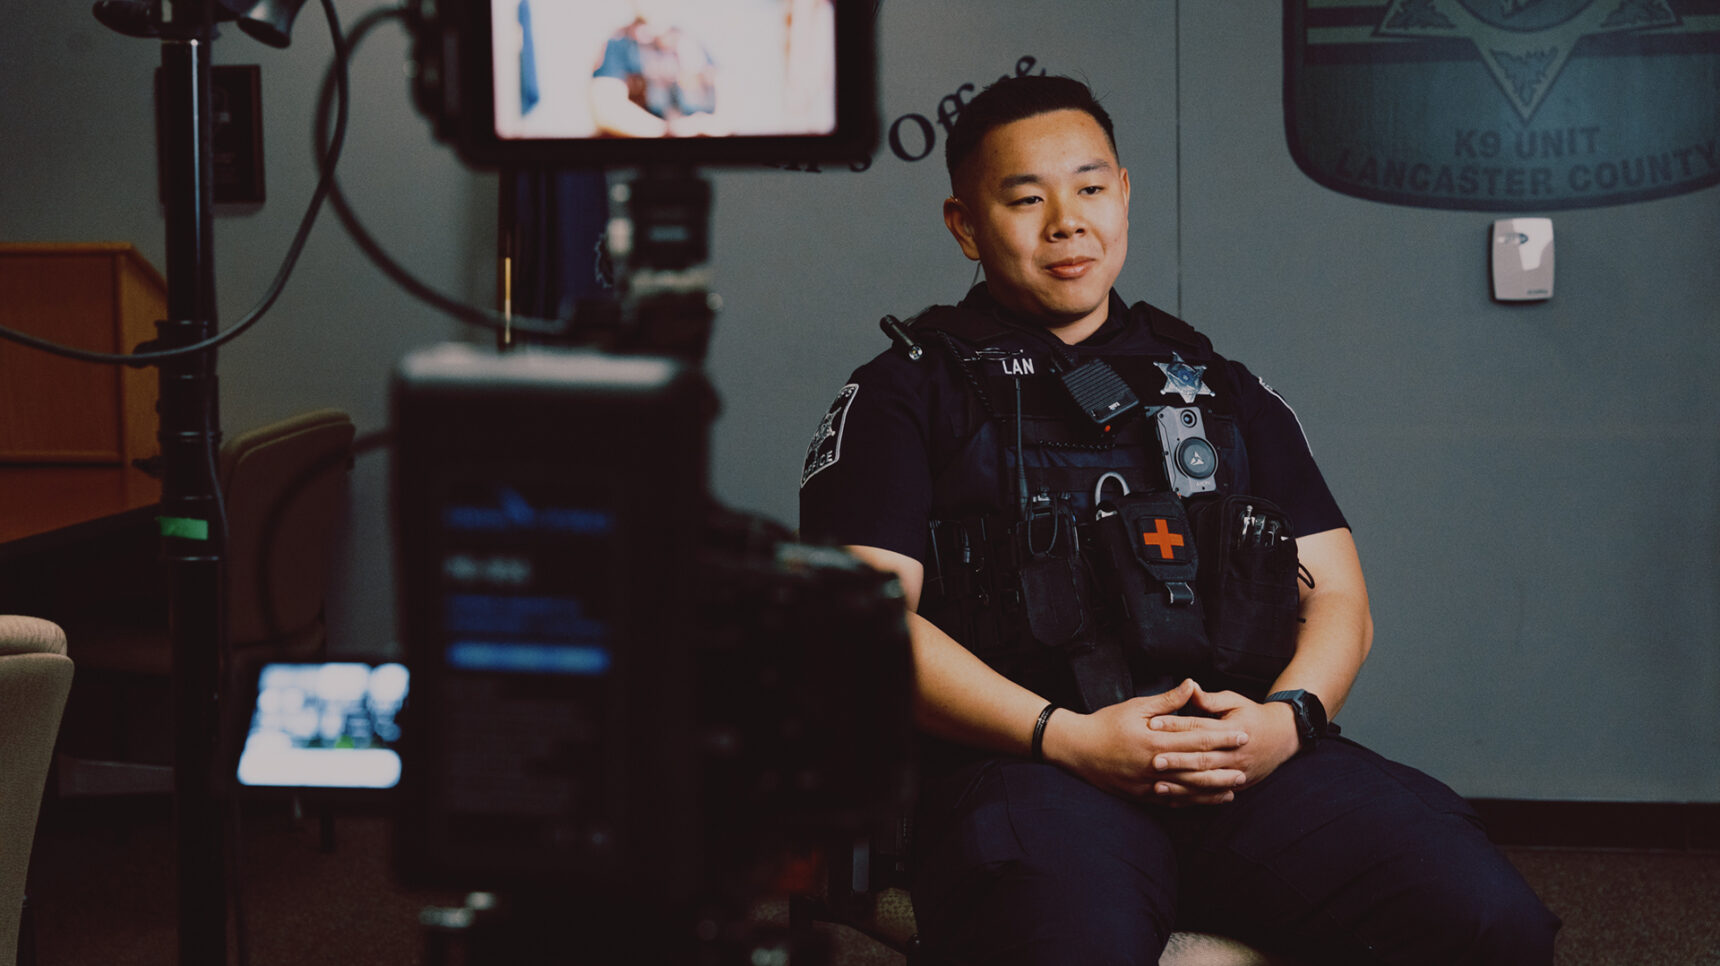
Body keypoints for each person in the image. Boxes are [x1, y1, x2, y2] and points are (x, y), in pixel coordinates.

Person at [798, 74, 1559, 965]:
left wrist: (1287, 721)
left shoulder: (1220, 386)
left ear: (1123, 195)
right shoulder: (904, 393)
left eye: (1089, 188)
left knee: (1487, 920)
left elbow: (1338, 596)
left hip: (1242, 759)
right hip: (1031, 767)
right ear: (965, 225)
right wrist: (1067, 738)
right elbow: (864, 626)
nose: (1067, 223)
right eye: (1026, 199)